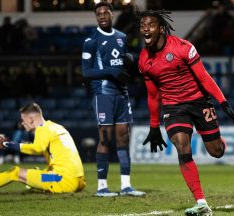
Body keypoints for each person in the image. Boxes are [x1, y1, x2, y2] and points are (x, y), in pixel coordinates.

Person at [135, 9, 234, 216]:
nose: (145, 29)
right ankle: (201, 202)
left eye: (150, 25)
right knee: (182, 147)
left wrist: (224, 103)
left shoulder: (183, 47)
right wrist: (153, 125)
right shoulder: (143, 60)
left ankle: (219, 142)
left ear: (161, 28)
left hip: (198, 102)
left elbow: (204, 78)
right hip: (174, 107)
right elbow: (153, 95)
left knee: (216, 151)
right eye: (142, 26)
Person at [81, 1, 145, 197]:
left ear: (111, 14)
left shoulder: (122, 37)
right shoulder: (91, 40)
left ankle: (126, 186)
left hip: (122, 94)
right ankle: (102, 187)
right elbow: (86, 72)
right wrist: (110, 72)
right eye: (98, 14)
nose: (102, 16)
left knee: (123, 138)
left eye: (105, 13)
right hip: (103, 94)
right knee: (106, 139)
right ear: (96, 17)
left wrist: (130, 60)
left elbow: (124, 63)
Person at [0, 103, 86, 194]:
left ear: (32, 119)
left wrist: (9, 144)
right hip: (78, 181)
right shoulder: (56, 127)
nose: (22, 123)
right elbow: (61, 159)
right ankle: (35, 182)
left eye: (23, 120)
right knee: (38, 172)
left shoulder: (42, 129)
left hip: (63, 181)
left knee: (14, 172)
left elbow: (36, 148)